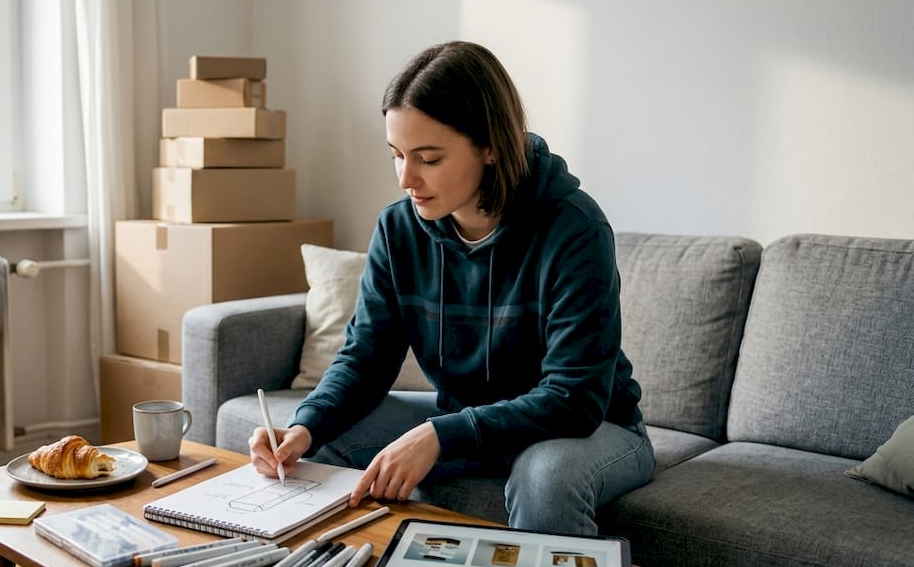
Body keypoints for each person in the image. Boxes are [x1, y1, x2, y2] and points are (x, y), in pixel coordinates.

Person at [249, 40, 655, 536]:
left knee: (544, 478)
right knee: (326, 440)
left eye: (428, 158)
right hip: (467, 418)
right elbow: (366, 358)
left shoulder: (575, 229)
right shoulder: (399, 231)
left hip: (593, 429)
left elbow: (575, 398)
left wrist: (442, 435)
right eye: (397, 155)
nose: (406, 178)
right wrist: (303, 426)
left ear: (490, 145)